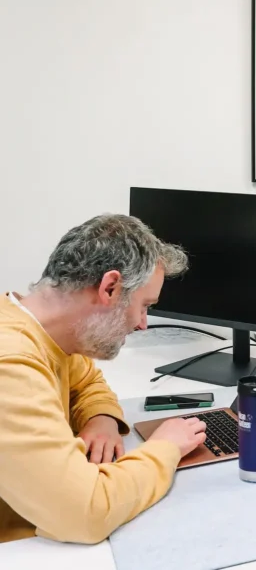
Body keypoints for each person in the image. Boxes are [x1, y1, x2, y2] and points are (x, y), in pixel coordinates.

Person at [0, 215, 208, 544]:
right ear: (109, 288)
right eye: (145, 306)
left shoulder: (39, 329)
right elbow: (85, 514)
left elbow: (87, 382)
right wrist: (165, 447)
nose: (142, 324)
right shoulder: (9, 364)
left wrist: (102, 417)